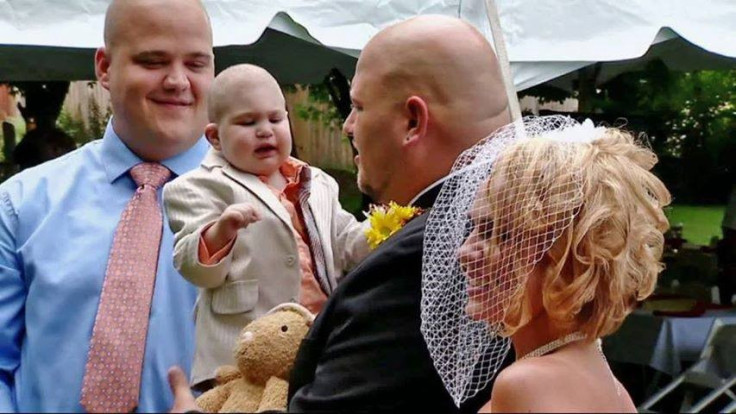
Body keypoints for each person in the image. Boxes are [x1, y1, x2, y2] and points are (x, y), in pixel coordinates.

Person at [169, 14, 511, 413]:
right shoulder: (500, 219)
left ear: (412, 121)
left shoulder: (422, 259)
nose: (348, 125)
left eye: (359, 106)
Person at [0, 0, 214, 411]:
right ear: (104, 67)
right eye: (153, 61)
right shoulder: (21, 206)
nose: (177, 80)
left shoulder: (274, 207)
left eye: (196, 63)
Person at [422, 117, 672, 412]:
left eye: (496, 233)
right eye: (474, 228)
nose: (465, 252)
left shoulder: (526, 384)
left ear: (567, 255)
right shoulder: (608, 385)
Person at [163, 64, 369, 391]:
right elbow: (196, 270)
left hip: (317, 338)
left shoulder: (317, 182)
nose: (265, 130)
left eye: (275, 118)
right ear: (215, 137)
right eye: (248, 122)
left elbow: (346, 243)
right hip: (245, 352)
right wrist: (222, 230)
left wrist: (385, 229)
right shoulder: (197, 187)